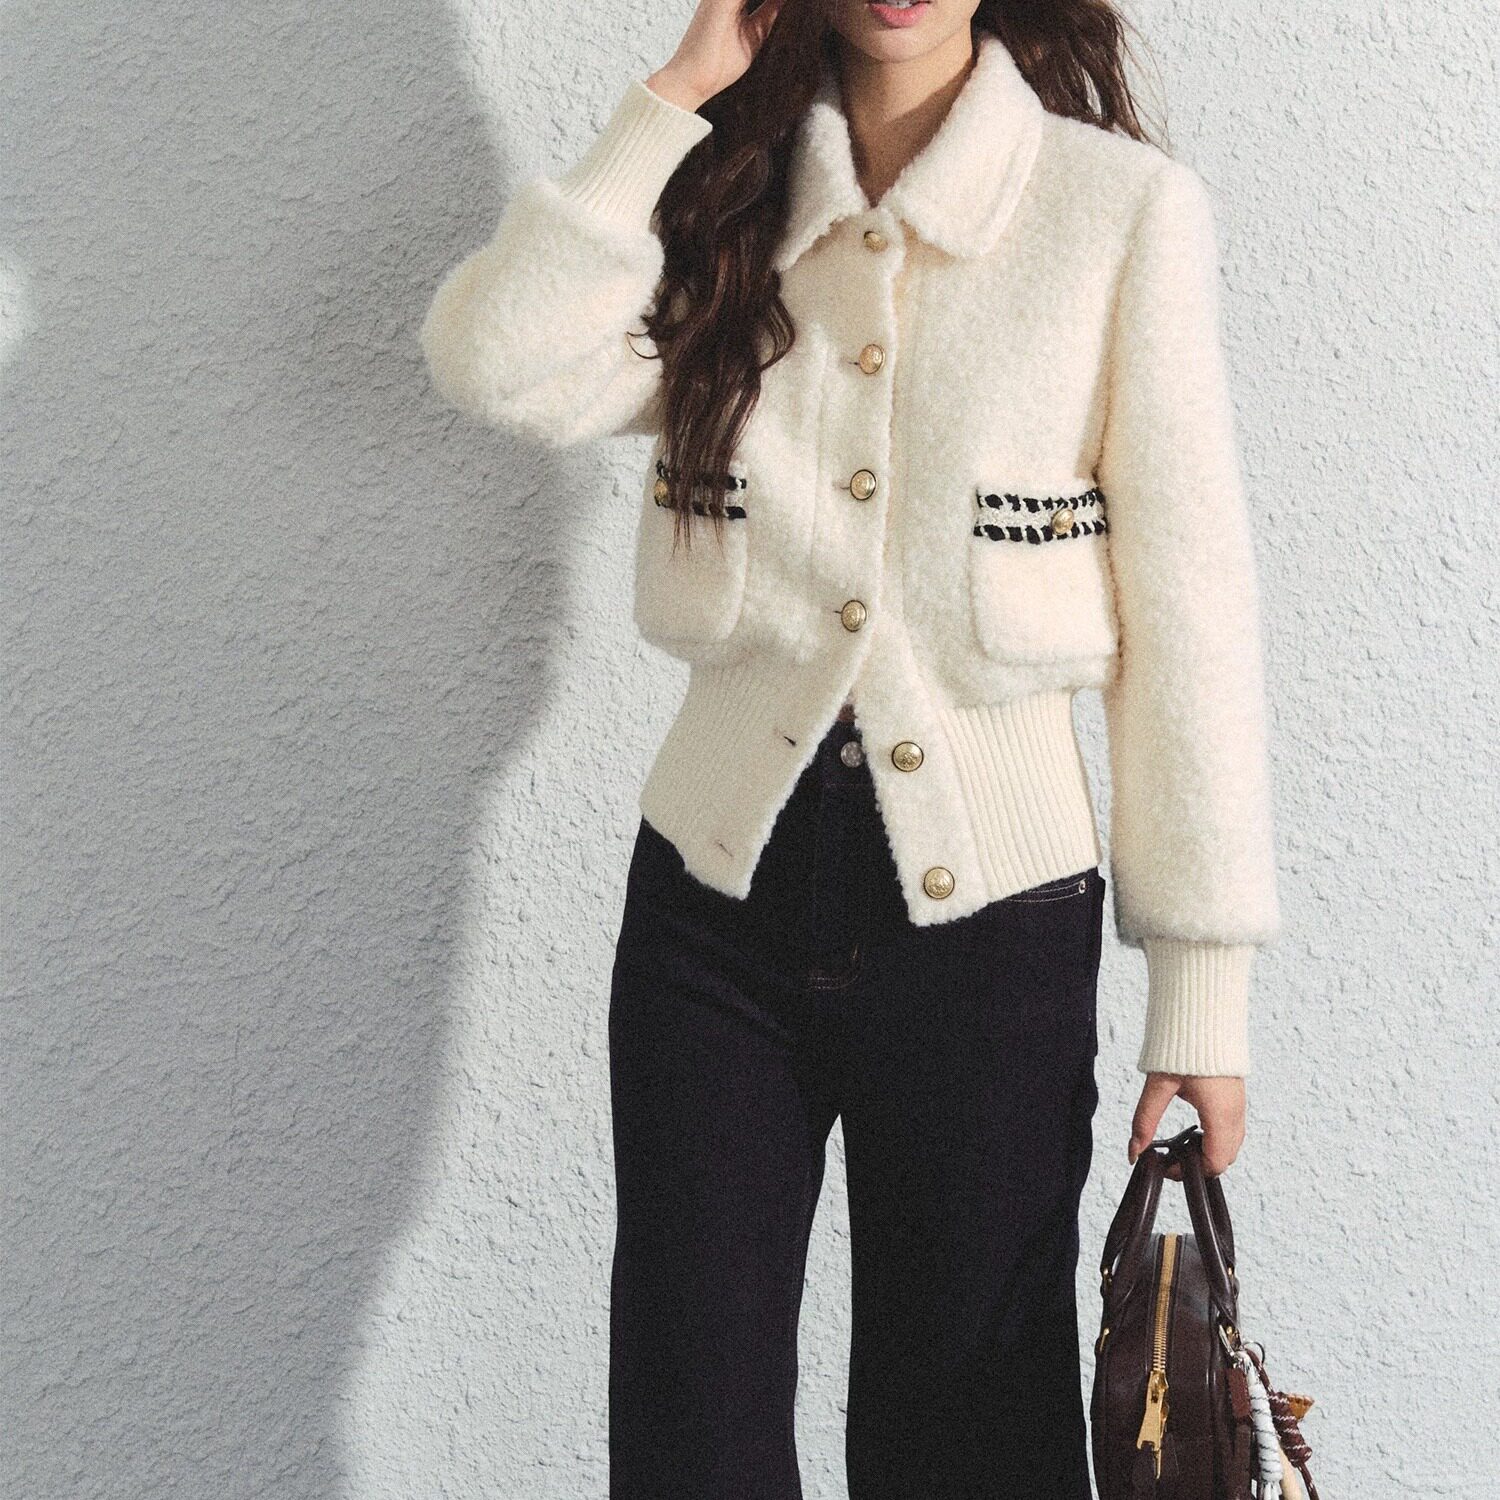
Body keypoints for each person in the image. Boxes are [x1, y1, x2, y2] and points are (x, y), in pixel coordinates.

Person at [419, 0, 1281, 1493]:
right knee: (689, 1430)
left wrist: (1200, 996)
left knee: (967, 1442)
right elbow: (496, 364)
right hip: (711, 914)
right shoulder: (724, 196)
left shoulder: (1116, 211)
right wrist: (677, 92)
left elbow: (1190, 614)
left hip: (992, 929)